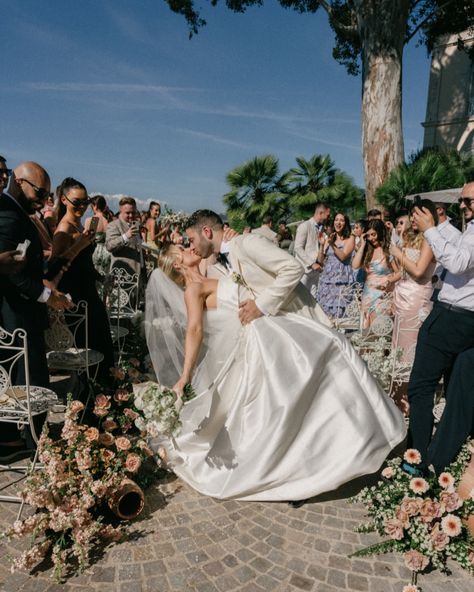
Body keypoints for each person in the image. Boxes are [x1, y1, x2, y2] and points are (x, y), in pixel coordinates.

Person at [145, 241, 406, 502]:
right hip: (256, 345)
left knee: (329, 350)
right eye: (182, 249)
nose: (188, 247)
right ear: (177, 263)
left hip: (267, 330)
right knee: (282, 401)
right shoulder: (192, 289)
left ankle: (354, 438)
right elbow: (195, 330)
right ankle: (299, 462)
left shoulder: (212, 273)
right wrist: (185, 375)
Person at [0, 162, 71, 462]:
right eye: (39, 192)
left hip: (19, 309)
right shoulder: (8, 213)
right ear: (19, 181)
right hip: (16, 312)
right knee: (30, 377)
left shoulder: (16, 211)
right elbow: (10, 273)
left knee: (17, 376)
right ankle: (34, 440)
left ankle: (13, 438)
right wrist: (45, 296)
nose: (42, 199)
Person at [404, 182, 474, 475]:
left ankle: (415, 460)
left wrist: (431, 229)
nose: (462, 206)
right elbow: (459, 253)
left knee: (421, 386)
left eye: (468, 201)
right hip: (467, 321)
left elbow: (458, 262)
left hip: (451, 318)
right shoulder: (468, 230)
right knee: (459, 392)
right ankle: (442, 461)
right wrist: (437, 227)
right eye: (461, 201)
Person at [52, 178, 114, 381]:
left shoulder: (78, 225)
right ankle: (91, 395)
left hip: (88, 290)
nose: (81, 206)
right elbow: (56, 265)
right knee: (90, 345)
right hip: (76, 295)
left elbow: (83, 262)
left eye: (85, 202)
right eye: (76, 202)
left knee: (100, 341)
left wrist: (99, 276)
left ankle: (103, 392)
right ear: (63, 200)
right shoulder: (64, 229)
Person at [389, 201, 438, 415]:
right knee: (398, 345)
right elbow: (405, 271)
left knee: (413, 347)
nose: (413, 219)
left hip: (417, 298)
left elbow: (418, 271)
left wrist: (398, 254)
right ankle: (398, 397)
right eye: (412, 215)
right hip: (402, 296)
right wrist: (393, 279)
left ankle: (412, 399)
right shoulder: (409, 238)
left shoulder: (430, 239)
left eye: (417, 214)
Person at [352, 219, 399, 328]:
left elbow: (399, 273)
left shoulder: (388, 250)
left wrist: (389, 281)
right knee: (366, 329)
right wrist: (363, 244)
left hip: (383, 294)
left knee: (379, 328)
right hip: (368, 294)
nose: (371, 238)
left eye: (373, 234)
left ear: (380, 232)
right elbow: (355, 265)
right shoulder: (367, 250)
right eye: (368, 236)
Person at [316, 212, 355, 318]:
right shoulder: (329, 238)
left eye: (341, 220)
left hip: (341, 278)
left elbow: (343, 256)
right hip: (328, 278)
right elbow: (320, 261)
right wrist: (322, 244)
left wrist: (332, 244)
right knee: (326, 308)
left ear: (345, 223)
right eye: (336, 220)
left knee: (339, 307)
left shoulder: (350, 238)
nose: (338, 222)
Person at [294, 202, 329, 298]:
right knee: (301, 300)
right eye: (327, 215)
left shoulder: (321, 229)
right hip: (304, 271)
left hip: (316, 272)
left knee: (313, 302)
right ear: (321, 213)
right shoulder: (305, 226)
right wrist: (312, 263)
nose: (328, 218)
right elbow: (297, 248)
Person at [105, 197, 143, 276]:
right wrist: (126, 236)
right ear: (120, 211)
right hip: (122, 275)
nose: (131, 215)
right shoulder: (113, 225)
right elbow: (109, 246)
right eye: (127, 213)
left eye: (133, 212)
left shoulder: (135, 225)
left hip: (138, 273)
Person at [85, 195, 111, 278]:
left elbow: (88, 238)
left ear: (94, 206)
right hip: (108, 253)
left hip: (96, 252)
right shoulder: (108, 220)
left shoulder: (94, 220)